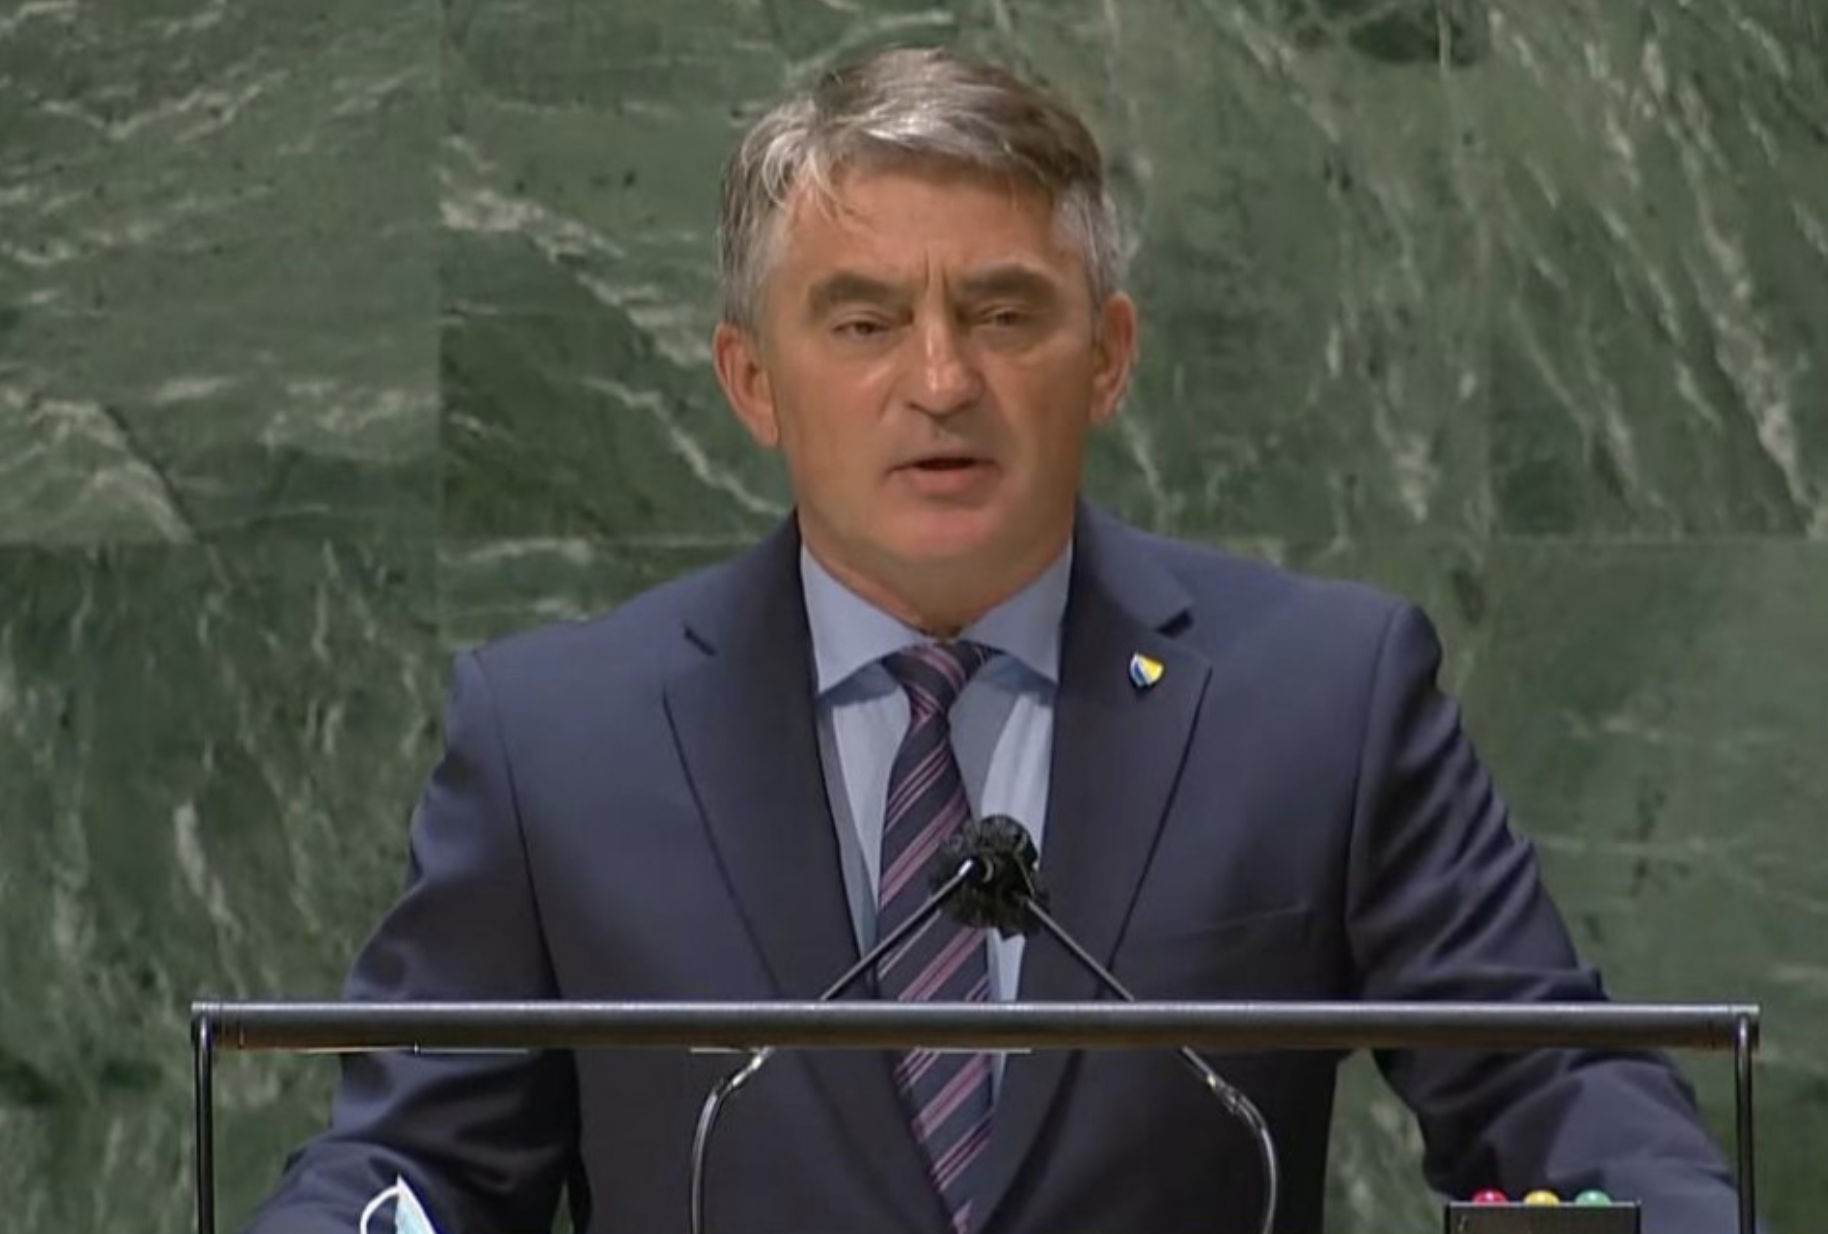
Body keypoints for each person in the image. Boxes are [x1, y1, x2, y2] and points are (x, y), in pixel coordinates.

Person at [248, 46, 1742, 1234]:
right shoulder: (558, 742)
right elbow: (417, 1164)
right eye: (863, 322)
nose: (942, 379)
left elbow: (1557, 1092)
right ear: (752, 380)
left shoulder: (1321, 698)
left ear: (1107, 358)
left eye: (1005, 314)